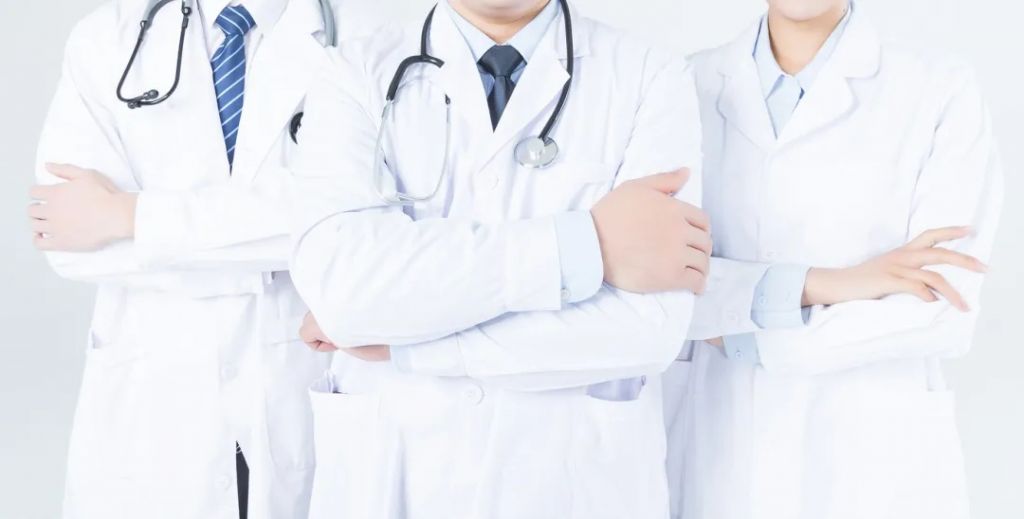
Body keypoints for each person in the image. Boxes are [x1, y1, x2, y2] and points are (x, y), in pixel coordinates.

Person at [289, 0, 709, 517]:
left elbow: (648, 328)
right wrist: (585, 243)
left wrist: (407, 347)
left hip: (568, 481)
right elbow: (346, 292)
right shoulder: (353, 71)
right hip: (392, 470)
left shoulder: (651, 76)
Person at [663, 1, 1004, 518]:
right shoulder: (682, 85)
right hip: (717, 455)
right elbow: (654, 284)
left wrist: (745, 337)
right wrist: (838, 283)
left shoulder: (940, 90)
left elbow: (941, 307)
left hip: (872, 460)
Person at [27, 0, 362, 517]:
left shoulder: (362, 34)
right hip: (156, 402)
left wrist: (129, 216)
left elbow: (355, 220)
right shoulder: (105, 40)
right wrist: (269, 244)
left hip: (298, 389)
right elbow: (68, 241)